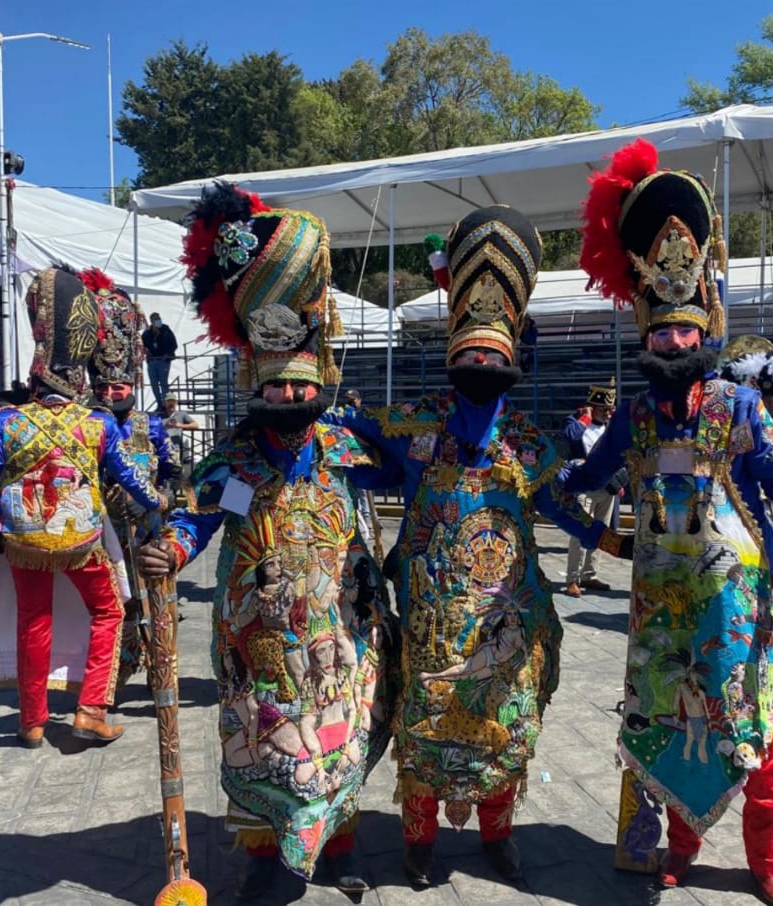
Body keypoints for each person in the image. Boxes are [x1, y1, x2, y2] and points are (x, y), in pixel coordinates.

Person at [566, 138, 773, 906]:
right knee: (663, 726)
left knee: (748, 732)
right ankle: (679, 844)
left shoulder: (737, 405)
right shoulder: (633, 415)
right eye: (661, 331)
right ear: (644, 330)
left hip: (733, 605)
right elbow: (577, 483)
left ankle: (766, 858)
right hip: (656, 613)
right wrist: (593, 530)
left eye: (686, 331)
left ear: (706, 328)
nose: (674, 342)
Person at [326, 205, 626, 890]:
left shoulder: (526, 439)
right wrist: (324, 433)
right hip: (434, 623)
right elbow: (363, 457)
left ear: (514, 348)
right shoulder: (416, 426)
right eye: (472, 351)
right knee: (425, 730)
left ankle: (497, 833)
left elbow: (559, 505)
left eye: (496, 352)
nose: (483, 362)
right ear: (452, 348)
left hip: (508, 623)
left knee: (505, 723)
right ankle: (419, 843)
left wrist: (609, 540)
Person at [138, 182, 397, 900]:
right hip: (258, 640)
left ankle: (337, 845)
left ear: (317, 382)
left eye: (298, 389)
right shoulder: (235, 457)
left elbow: (406, 468)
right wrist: (172, 549)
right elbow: (196, 515)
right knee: (263, 739)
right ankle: (264, 856)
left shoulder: (345, 445)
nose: (286, 400)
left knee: (339, 735)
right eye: (275, 389)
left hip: (341, 632)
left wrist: (372, 424)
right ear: (256, 380)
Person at [0, 265, 163, 749]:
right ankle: (90, 710)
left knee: (34, 620)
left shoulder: (6, 420)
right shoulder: (97, 424)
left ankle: (32, 721)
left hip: (24, 537)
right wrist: (158, 500)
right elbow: (129, 479)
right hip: (82, 539)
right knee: (108, 611)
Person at [83, 270, 175, 689]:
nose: (114, 393)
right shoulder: (85, 425)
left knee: (156, 600)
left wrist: (171, 491)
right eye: (106, 386)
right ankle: (116, 670)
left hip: (148, 527)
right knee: (113, 602)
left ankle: (161, 668)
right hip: (104, 529)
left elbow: (170, 466)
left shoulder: (149, 423)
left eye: (120, 385)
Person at [562, 379, 620, 596]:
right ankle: (572, 578)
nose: (608, 413)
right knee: (578, 532)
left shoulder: (611, 427)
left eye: (611, 409)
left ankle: (590, 574)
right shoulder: (576, 420)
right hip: (583, 486)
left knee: (600, 531)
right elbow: (570, 436)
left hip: (607, 487)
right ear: (592, 407)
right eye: (604, 409)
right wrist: (585, 417)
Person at [141, 311, 178, 402]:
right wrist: (146, 350)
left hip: (163, 361)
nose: (158, 321)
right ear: (152, 321)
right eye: (156, 319)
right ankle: (159, 403)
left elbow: (174, 344)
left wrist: (168, 353)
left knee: (163, 383)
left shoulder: (166, 330)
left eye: (159, 319)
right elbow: (142, 345)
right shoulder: (147, 333)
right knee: (154, 384)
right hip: (152, 361)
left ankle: (166, 404)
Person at [161, 397, 201, 468]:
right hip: (162, 445)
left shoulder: (181, 414)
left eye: (173, 402)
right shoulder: (160, 415)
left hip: (175, 445)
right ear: (165, 403)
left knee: (175, 467)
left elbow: (196, 425)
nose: (171, 404)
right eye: (169, 402)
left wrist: (180, 425)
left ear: (176, 403)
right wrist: (165, 426)